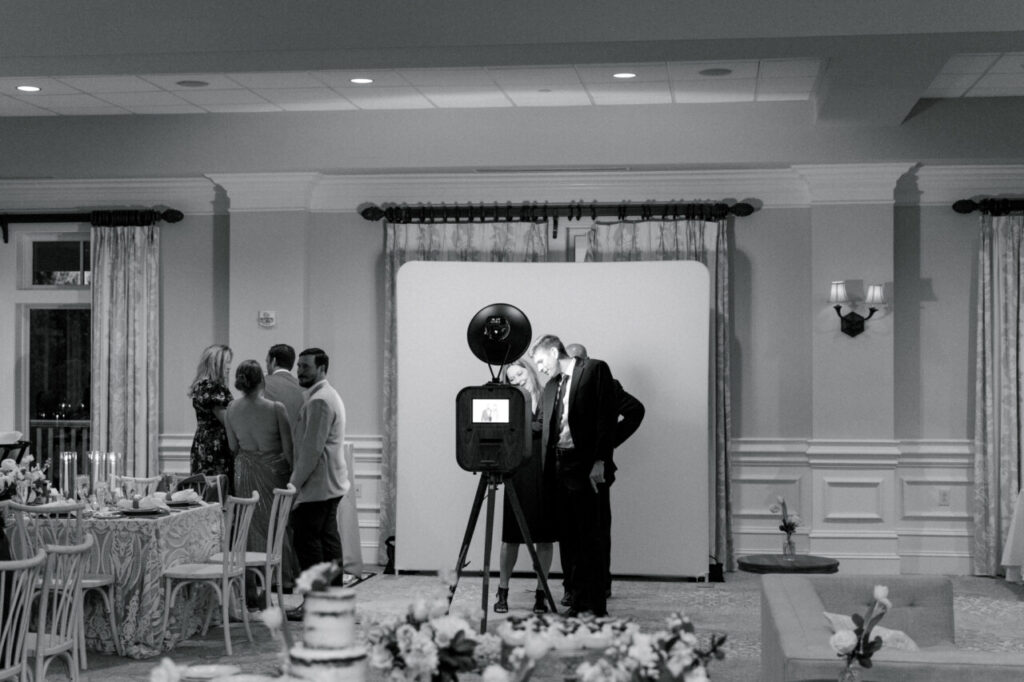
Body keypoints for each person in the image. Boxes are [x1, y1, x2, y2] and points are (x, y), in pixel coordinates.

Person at [531, 334, 617, 617]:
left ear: (555, 352)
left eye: (541, 361)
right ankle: (578, 601)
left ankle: (597, 605)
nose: (540, 368)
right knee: (568, 540)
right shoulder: (551, 385)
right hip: (558, 469)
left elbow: (605, 418)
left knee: (590, 538)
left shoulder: (594, 370)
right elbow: (544, 428)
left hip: (585, 467)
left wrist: (600, 461)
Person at [564, 342, 645, 604]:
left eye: (580, 360)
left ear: (588, 361)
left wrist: (608, 444)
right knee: (570, 532)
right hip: (568, 469)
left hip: (597, 470)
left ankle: (601, 585)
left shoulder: (607, 384)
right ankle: (571, 587)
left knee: (598, 530)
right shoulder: (561, 384)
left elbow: (635, 410)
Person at [224, 359, 297, 607]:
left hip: (244, 471)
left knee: (248, 527)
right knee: (277, 526)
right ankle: (279, 582)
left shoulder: (231, 408)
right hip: (274, 471)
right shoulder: (276, 408)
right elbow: (289, 450)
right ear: (263, 380)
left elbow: (233, 447)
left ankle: (251, 589)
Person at [287, 347, 349, 621]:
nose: (300, 371)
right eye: (299, 366)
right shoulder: (327, 395)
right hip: (329, 483)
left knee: (309, 545)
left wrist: (293, 485)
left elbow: (311, 450)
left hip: (318, 485)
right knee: (327, 542)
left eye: (306, 366)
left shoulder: (320, 400)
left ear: (322, 368)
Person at [494, 358, 557, 615]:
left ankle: (541, 593)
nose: (516, 380)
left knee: (544, 536)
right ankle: (503, 589)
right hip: (516, 472)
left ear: (529, 370)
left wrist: (516, 427)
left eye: (518, 374)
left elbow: (546, 427)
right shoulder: (508, 401)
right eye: (511, 378)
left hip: (543, 472)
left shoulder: (547, 395)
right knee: (511, 537)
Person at [188, 344, 234, 488]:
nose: (229, 367)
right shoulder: (214, 387)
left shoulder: (200, 385)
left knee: (204, 490)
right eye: (226, 362)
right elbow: (227, 420)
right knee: (218, 491)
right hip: (216, 445)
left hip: (201, 442)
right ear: (217, 364)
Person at [264, 343, 305, 426]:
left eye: (267, 362)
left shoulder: (262, 383)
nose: (266, 366)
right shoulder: (304, 388)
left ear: (274, 361)